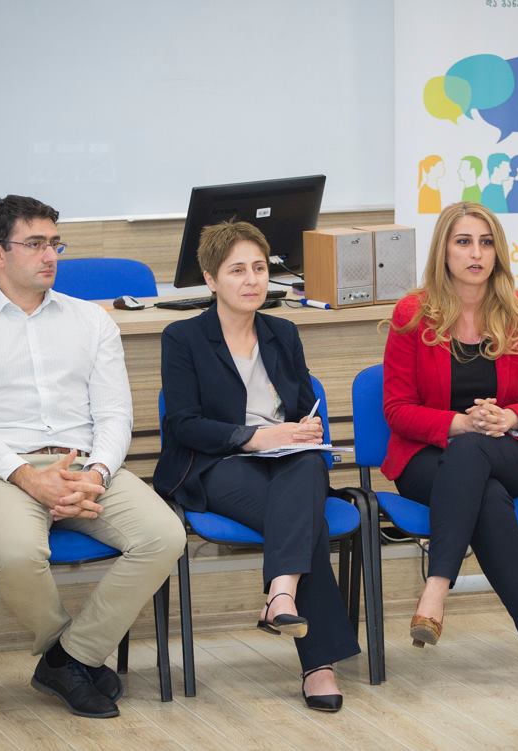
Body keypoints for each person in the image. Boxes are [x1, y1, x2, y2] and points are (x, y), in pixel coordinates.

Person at [0, 195, 186, 719]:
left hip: (86, 466)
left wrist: (96, 472)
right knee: (18, 553)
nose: (50, 255)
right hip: (1, 472)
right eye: (34, 244)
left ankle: (70, 657)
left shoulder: (91, 321)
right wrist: (30, 477)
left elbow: (114, 415)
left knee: (164, 535)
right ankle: (67, 654)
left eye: (54, 243)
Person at [153, 221, 360, 712]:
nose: (252, 280)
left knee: (308, 468)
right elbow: (183, 424)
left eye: (260, 268)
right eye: (237, 270)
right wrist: (256, 437)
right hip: (216, 463)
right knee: (306, 521)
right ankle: (318, 664)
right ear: (210, 279)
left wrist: (305, 429)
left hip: (288, 460)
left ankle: (281, 594)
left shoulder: (282, 332)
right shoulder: (183, 337)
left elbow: (305, 406)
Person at [381, 201, 518, 694]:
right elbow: (396, 409)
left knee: (474, 456)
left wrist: (509, 417)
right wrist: (459, 423)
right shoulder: (412, 314)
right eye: (463, 242)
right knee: (483, 490)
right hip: (427, 457)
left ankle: (435, 589)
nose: (476, 253)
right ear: (444, 250)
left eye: (485, 243)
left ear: (497, 252)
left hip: (508, 452)